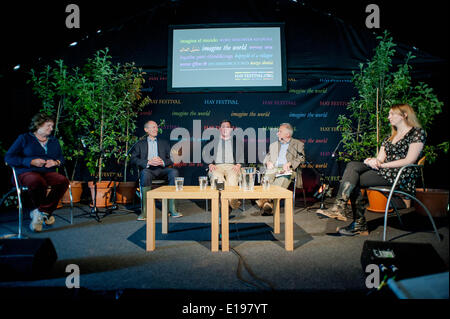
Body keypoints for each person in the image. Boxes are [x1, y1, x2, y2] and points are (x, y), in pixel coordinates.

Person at [317, 103, 426, 236]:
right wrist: (372, 161)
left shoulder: (417, 133)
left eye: (392, 114)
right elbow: (380, 159)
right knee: (353, 169)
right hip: (385, 172)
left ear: (404, 115)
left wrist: (383, 165)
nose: (388, 117)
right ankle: (345, 213)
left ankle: (353, 219)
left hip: (401, 175)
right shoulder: (389, 138)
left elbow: (410, 160)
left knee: (353, 177)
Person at [5, 113, 69, 232]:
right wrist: (30, 161)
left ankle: (41, 212)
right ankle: (43, 213)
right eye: (48, 126)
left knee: (63, 181)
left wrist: (56, 162)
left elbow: (61, 158)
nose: (51, 129)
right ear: (38, 125)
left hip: (47, 172)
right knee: (37, 181)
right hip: (26, 172)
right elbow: (8, 157)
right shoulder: (24, 138)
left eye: (52, 126)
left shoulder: (54, 141)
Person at [130, 120, 182, 220]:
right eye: (153, 127)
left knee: (174, 172)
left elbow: (172, 158)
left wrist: (162, 161)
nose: (156, 129)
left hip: (162, 169)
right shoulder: (140, 144)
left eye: (156, 127)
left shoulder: (164, 142)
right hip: (149, 170)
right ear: (146, 130)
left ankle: (172, 209)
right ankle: (145, 211)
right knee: (144, 174)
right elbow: (133, 159)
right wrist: (148, 162)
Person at [254, 123, 305, 216]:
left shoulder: (298, 144)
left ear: (287, 134)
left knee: (282, 179)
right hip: (273, 169)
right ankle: (268, 203)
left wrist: (290, 164)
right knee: (266, 179)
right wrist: (267, 162)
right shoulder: (273, 145)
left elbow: (301, 158)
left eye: (280, 131)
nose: (277, 133)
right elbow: (267, 157)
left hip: (288, 170)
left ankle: (265, 201)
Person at [208, 120, 243, 210]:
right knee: (218, 178)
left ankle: (225, 204)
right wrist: (210, 164)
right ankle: (232, 202)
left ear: (231, 129)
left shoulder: (237, 141)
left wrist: (239, 164)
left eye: (227, 127)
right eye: (223, 126)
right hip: (217, 166)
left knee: (233, 177)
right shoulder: (212, 141)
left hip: (232, 166)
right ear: (220, 129)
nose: (225, 129)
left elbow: (242, 157)